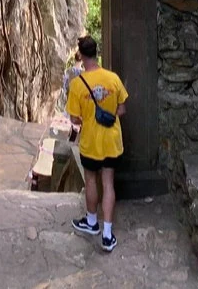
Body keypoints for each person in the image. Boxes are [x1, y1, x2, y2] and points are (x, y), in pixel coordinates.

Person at [65, 35, 128, 252]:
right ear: (97, 53)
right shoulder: (113, 79)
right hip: (111, 141)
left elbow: (75, 119)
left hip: (91, 141)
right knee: (108, 183)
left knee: (91, 180)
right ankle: (107, 234)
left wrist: (88, 116)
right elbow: (122, 109)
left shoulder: (77, 85)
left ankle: (92, 222)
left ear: (81, 56)